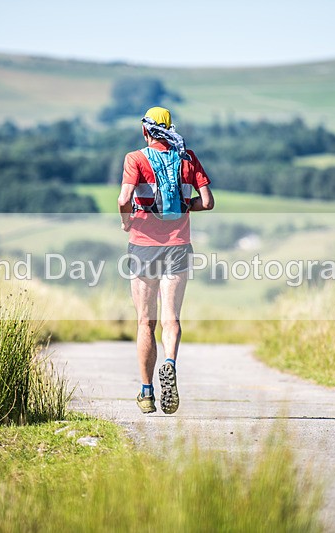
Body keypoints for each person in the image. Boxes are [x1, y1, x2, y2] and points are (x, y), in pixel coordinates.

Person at [118, 106, 214, 415]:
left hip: (143, 247)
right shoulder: (187, 158)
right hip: (178, 246)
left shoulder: (135, 159)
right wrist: (186, 205)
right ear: (170, 129)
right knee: (171, 319)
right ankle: (169, 363)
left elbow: (123, 199)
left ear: (146, 130)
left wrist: (127, 221)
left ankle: (147, 393)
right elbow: (208, 202)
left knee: (146, 322)